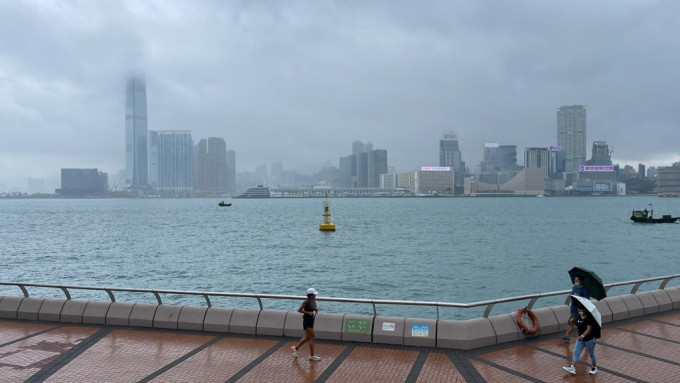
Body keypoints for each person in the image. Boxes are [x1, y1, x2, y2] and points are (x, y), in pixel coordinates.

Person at [563, 301, 600, 375]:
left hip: (589, 339)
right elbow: (580, 324)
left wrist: (583, 336)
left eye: (580, 309)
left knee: (591, 354)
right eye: (578, 309)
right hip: (580, 339)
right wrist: (574, 322)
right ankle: (573, 367)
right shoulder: (579, 316)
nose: (579, 310)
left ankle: (594, 367)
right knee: (576, 352)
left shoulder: (589, 318)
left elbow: (588, 329)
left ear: (584, 310)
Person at [291, 288, 321, 361]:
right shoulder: (306, 302)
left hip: (311, 320)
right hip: (307, 321)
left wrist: (315, 309)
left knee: (307, 337)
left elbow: (313, 308)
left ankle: (296, 348)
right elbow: (299, 310)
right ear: (310, 295)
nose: (315, 295)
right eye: (314, 294)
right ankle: (312, 355)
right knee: (312, 337)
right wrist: (308, 313)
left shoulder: (313, 301)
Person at [561, 275, 589, 342]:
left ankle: (567, 337)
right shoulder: (574, 287)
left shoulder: (584, 289)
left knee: (571, 322)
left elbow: (587, 299)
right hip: (573, 308)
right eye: (575, 280)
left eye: (577, 280)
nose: (575, 282)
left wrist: (579, 296)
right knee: (573, 322)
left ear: (581, 281)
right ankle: (568, 336)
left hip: (579, 310)